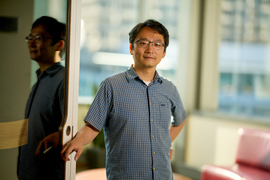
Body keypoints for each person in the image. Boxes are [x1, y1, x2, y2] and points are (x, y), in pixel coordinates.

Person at [61, 19, 186, 180]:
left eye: (157, 44)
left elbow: (180, 119)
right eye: (143, 43)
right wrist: (78, 139)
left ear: (164, 53)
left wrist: (164, 143)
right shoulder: (111, 86)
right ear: (131, 48)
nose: (150, 49)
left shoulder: (169, 88)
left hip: (162, 175)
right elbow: (92, 127)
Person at [17, 16, 66, 180]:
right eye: (30, 38)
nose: (31, 43)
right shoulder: (41, 79)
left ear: (59, 44)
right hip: (28, 173)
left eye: (39, 38)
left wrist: (60, 135)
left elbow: (69, 130)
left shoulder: (63, 80)